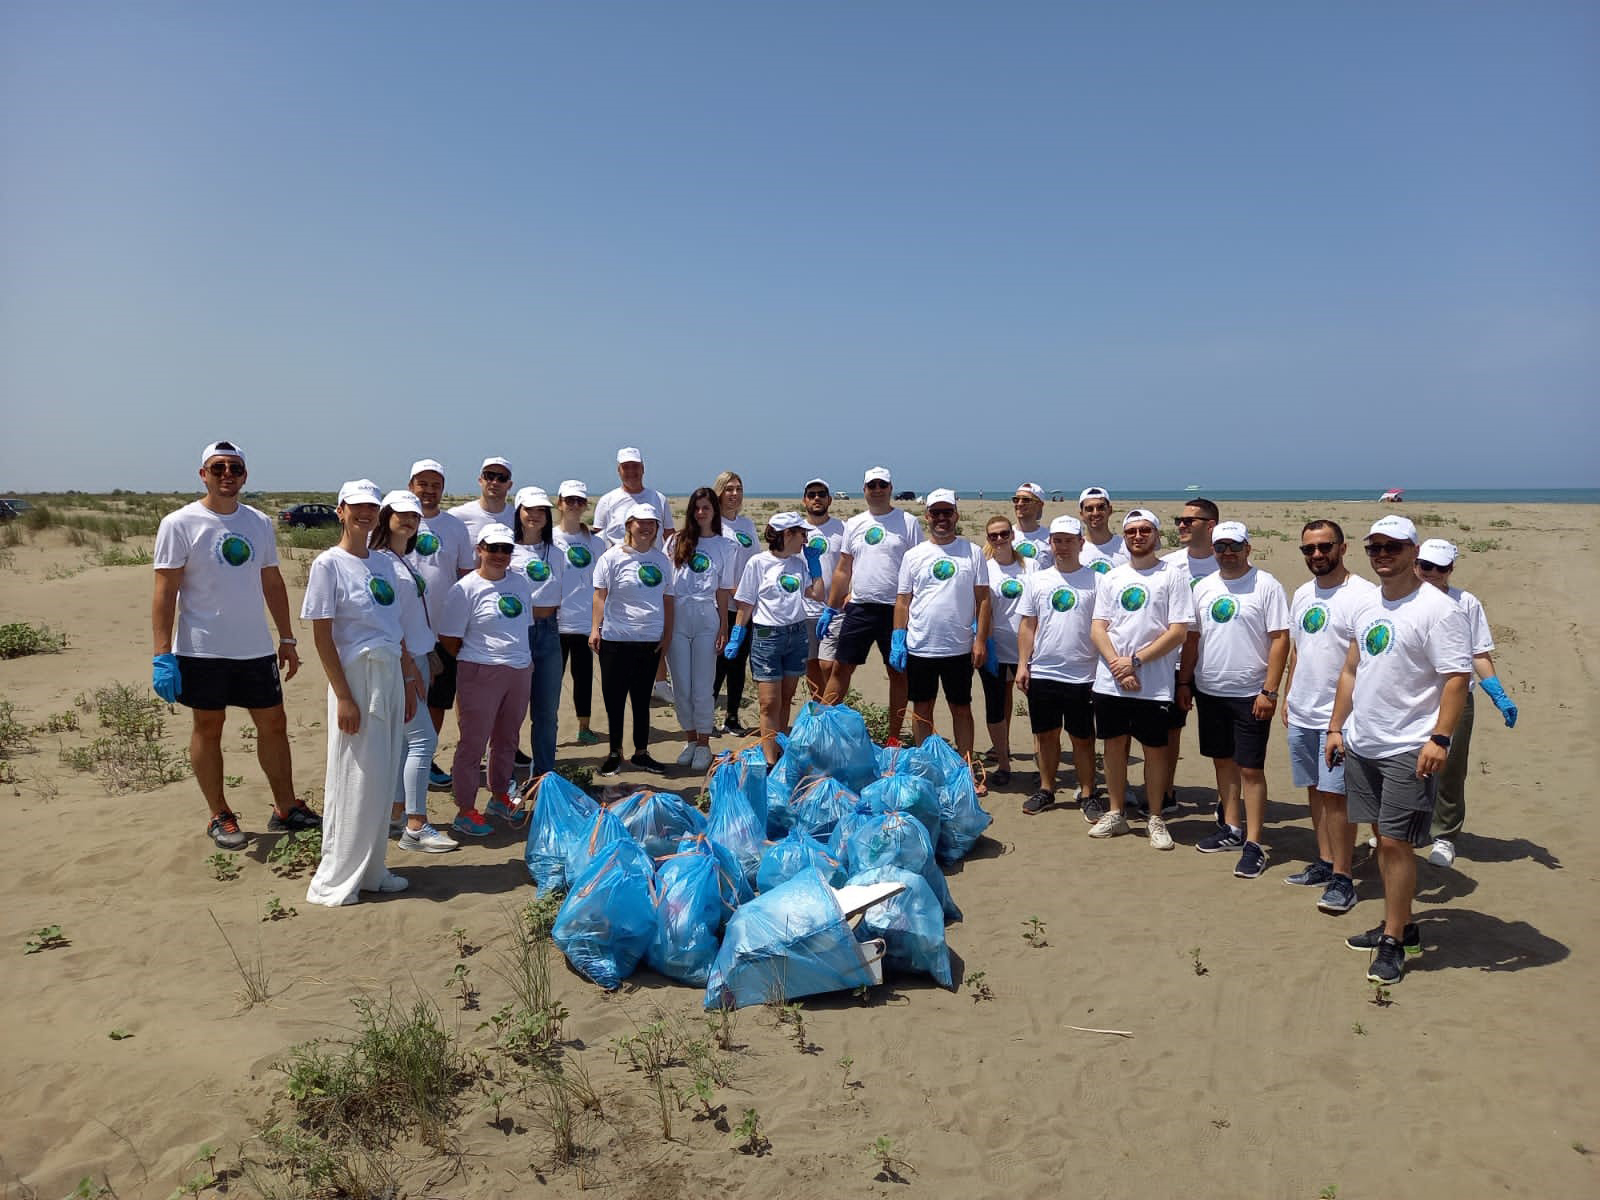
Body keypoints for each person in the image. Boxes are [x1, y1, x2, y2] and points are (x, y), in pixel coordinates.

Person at [1327, 516, 1471, 984]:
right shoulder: (1368, 605)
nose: (1382, 554)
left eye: (1392, 546)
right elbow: (1351, 668)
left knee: (1395, 843)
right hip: (1364, 741)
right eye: (1374, 547)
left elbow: (1456, 679)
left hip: (1410, 745)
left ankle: (1393, 941)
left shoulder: (1438, 609)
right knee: (1382, 840)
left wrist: (1440, 738)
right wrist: (1336, 728)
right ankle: (1402, 925)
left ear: (1413, 550)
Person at [152, 440, 313, 850]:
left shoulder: (257, 522)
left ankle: (285, 807)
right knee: (209, 727)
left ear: (245, 475)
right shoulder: (180, 523)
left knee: (274, 725)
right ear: (203, 474)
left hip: (254, 648)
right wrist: (161, 655)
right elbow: (165, 592)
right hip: (202, 648)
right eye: (218, 467)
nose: (228, 474)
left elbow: (271, 581)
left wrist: (288, 637)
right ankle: (219, 813)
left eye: (235, 468)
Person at [301, 481, 426, 906]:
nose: (365, 514)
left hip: (389, 672)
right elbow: (322, 636)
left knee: (383, 773)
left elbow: (396, 629)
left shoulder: (383, 564)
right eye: (357, 507)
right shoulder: (328, 565)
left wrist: (407, 679)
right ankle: (336, 879)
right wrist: (344, 696)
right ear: (341, 511)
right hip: (356, 677)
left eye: (372, 507)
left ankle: (373, 869)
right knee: (355, 776)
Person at [1182, 523, 1290, 879]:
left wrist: (1269, 690)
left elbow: (1279, 640)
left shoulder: (1266, 585)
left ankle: (1254, 843)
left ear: (1248, 548)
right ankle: (1231, 827)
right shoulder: (1204, 587)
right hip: (1210, 689)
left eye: (1234, 545)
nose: (1227, 552)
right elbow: (1193, 639)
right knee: (1222, 762)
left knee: (1250, 769)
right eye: (1221, 546)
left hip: (1251, 694)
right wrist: (1185, 681)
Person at [1279, 519, 1376, 912]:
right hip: (1303, 709)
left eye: (1324, 547)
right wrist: (1289, 695)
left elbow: (1365, 662)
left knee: (1338, 796)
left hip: (1341, 718)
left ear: (1342, 547)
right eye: (1309, 549)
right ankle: (1323, 860)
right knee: (1315, 790)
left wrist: (1346, 717)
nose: (1317, 555)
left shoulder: (1364, 596)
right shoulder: (1303, 593)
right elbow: (1297, 649)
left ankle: (1343, 876)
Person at [1087, 510, 1195, 849]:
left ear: (1156, 535)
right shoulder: (1112, 577)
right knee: (1114, 746)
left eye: (1145, 530)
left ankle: (1155, 816)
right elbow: (1098, 627)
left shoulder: (1172, 576)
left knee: (1155, 750)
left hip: (1154, 682)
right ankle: (1116, 812)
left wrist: (1135, 661)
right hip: (1110, 682)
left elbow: (1178, 631)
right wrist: (1118, 666)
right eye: (1132, 531)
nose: (1138, 536)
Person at [1415, 538, 1518, 869]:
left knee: (1449, 767)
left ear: (1451, 569)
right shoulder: (1397, 597)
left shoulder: (1466, 603)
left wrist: (1498, 694)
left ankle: (1444, 834)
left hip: (1454, 698)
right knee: (1404, 764)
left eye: (1440, 568)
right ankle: (1407, 825)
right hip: (1410, 697)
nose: (1431, 573)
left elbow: (1479, 653)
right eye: (1425, 566)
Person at [371, 490, 456, 853]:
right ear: (386, 516)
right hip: (400, 662)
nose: (408, 520)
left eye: (414, 516)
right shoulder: (381, 561)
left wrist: (428, 654)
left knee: (407, 742)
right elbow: (389, 621)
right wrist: (408, 669)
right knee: (423, 740)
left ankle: (394, 813)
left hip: (418, 656)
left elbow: (412, 614)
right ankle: (416, 825)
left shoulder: (403, 559)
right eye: (401, 514)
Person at [438, 523, 533, 837]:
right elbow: (449, 640)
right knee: (472, 744)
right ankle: (465, 810)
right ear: (480, 549)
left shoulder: (519, 583)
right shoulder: (465, 589)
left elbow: (523, 626)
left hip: (519, 670)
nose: (499, 555)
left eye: (506, 549)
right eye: (493, 548)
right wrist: (482, 660)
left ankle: (498, 797)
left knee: (507, 740)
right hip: (479, 671)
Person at [822, 466, 924, 745]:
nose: (877, 490)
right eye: (872, 485)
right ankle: (823, 729)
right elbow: (844, 568)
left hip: (897, 610)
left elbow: (919, 565)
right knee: (841, 668)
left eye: (882, 485)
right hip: (859, 607)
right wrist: (831, 607)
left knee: (898, 672)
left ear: (891, 488)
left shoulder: (908, 522)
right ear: (864, 489)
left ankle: (893, 736)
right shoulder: (854, 524)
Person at [892, 491, 990, 770]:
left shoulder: (972, 552)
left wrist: (980, 639)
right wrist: (898, 638)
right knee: (922, 709)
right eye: (936, 513)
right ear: (927, 517)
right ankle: (925, 764)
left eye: (947, 512)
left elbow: (983, 599)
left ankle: (966, 765)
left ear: (956, 515)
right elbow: (902, 601)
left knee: (961, 708)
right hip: (921, 645)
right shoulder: (913, 555)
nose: (942, 518)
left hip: (958, 647)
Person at [1015, 516, 1103, 818]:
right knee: (1046, 734)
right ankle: (1047, 789)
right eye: (1057, 541)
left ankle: (1089, 792)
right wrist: (1023, 665)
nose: (1062, 546)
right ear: (1050, 544)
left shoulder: (1097, 580)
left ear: (1081, 542)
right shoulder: (1037, 580)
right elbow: (1028, 625)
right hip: (1044, 671)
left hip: (1084, 674)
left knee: (1082, 737)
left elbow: (1104, 627)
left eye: (1069, 540)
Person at [729, 512, 824, 766]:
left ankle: (780, 750)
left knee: (785, 697)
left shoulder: (798, 564)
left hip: (796, 633)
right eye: (801, 534)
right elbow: (746, 603)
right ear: (786, 534)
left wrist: (815, 567)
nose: (805, 539)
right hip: (767, 636)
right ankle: (770, 760)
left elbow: (817, 594)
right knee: (769, 702)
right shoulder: (758, 563)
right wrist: (737, 634)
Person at [590, 504, 677, 776]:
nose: (647, 528)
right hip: (616, 640)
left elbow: (668, 599)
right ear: (629, 525)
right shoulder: (611, 557)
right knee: (614, 700)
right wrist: (595, 628)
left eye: (652, 523)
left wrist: (667, 636)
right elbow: (600, 595)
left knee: (641, 701)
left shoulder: (661, 560)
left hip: (649, 641)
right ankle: (615, 753)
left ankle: (641, 753)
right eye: (641, 522)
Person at [405, 458, 476, 791]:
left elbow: (465, 578)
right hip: (403, 632)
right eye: (423, 484)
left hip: (443, 632)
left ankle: (426, 759)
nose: (428, 491)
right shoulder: (397, 522)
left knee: (437, 700)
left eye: (435, 485)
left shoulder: (454, 526)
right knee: (404, 697)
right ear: (411, 486)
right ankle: (399, 761)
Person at [1158, 496, 1221, 813]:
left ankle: (1228, 801)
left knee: (1221, 739)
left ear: (1210, 526)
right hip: (1174, 662)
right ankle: (1165, 792)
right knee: (1170, 731)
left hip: (1214, 663)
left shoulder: (1226, 560)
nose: (1181, 525)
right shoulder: (1169, 563)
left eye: (1188, 521)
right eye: (1178, 521)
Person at [667, 488, 734, 770]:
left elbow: (722, 590)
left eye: (706, 507)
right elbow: (667, 587)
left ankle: (705, 743)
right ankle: (691, 739)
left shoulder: (725, 545)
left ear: (714, 511)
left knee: (703, 685)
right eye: (697, 508)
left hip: (707, 615)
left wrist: (723, 627)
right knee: (681, 684)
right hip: (679, 615)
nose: (701, 513)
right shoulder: (676, 541)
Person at [510, 487, 566, 779]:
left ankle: (544, 775)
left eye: (541, 510)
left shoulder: (556, 553)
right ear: (518, 512)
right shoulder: (506, 550)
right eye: (529, 509)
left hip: (549, 633)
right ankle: (504, 778)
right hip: (516, 632)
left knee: (546, 713)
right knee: (510, 713)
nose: (535, 515)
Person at [980, 513, 1033, 787]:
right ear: (988, 539)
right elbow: (980, 609)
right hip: (996, 649)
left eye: (1004, 534)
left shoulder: (1031, 567)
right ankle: (1003, 762)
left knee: (1038, 708)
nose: (999, 539)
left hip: (1029, 650)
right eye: (993, 535)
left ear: (1012, 535)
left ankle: (1042, 763)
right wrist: (982, 643)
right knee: (995, 706)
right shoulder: (985, 568)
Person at [553, 480, 605, 747]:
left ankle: (584, 727)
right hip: (555, 623)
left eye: (579, 501)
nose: (574, 505)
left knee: (583, 678)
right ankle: (549, 728)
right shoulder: (548, 538)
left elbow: (603, 584)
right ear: (559, 503)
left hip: (586, 623)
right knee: (551, 681)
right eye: (569, 500)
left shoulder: (596, 543)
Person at [711, 470, 759, 735]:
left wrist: (749, 596)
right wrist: (733, 591)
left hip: (745, 607)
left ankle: (731, 717)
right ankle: (707, 717)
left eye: (738, 489)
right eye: (728, 489)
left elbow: (755, 563)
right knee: (718, 663)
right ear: (719, 492)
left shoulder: (747, 525)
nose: (734, 494)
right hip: (720, 606)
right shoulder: (713, 524)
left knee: (739, 664)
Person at [799, 477, 847, 698]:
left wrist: (851, 593)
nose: (816, 498)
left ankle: (833, 712)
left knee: (829, 665)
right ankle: (819, 712)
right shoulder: (796, 530)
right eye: (811, 495)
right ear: (804, 501)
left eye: (821, 494)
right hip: (804, 610)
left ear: (829, 500)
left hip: (835, 610)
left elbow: (852, 565)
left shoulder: (842, 529)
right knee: (811, 665)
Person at [593, 447, 674, 546]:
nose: (631, 471)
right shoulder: (607, 501)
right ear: (619, 470)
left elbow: (669, 536)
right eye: (625, 467)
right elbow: (597, 538)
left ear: (643, 469)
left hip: (653, 560)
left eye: (635, 466)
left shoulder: (659, 498)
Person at [448, 457, 515, 544]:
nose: (495, 482)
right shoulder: (456, 516)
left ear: (509, 485)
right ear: (480, 481)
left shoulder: (518, 519)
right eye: (489, 476)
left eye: (502, 478)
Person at [1077, 487, 1127, 576]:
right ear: (1082, 514)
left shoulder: (1126, 546)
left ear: (1110, 510)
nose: (1095, 513)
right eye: (1089, 509)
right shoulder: (1074, 549)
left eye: (1101, 507)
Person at [1010, 482, 1054, 568]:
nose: (1019, 503)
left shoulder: (1050, 538)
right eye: (1016, 499)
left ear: (1039, 505)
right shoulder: (1002, 535)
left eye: (1026, 500)